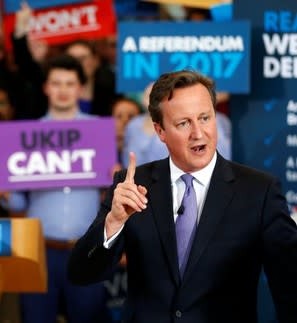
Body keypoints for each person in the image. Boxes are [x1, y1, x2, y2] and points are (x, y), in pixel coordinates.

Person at [68, 70, 297, 322]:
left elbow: (289, 286)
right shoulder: (131, 186)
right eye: (183, 123)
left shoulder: (259, 191)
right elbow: (81, 274)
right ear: (160, 131)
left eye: (205, 118)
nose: (198, 133)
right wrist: (114, 222)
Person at [1, 54, 109, 323]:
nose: (62, 90)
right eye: (56, 83)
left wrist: (114, 178)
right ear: (46, 88)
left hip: (88, 250)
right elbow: (17, 203)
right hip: (39, 251)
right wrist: (2, 192)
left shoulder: (99, 131)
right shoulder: (25, 135)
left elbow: (111, 196)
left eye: (69, 84)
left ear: (80, 89)